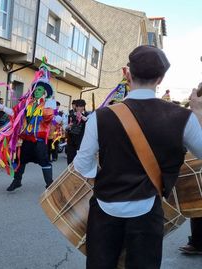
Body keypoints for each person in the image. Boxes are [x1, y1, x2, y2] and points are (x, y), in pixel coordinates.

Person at [73, 46, 202, 268]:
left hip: (105, 210)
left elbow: (83, 166)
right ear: (161, 78)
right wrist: (198, 112)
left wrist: (108, 175)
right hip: (148, 210)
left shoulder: (100, 117)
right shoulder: (183, 118)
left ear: (127, 74)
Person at [0, 58, 57, 192]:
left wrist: (45, 104)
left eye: (39, 90)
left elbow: (49, 117)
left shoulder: (47, 105)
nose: (36, 91)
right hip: (27, 139)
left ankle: (50, 184)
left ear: (44, 92)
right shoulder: (26, 104)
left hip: (39, 141)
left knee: (44, 162)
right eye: (35, 89)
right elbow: (14, 113)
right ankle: (17, 181)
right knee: (21, 161)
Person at [65, 99, 88, 165]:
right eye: (77, 106)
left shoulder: (86, 116)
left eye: (81, 106)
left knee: (79, 161)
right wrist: (68, 127)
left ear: (83, 107)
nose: (78, 108)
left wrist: (81, 116)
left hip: (81, 142)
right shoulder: (71, 116)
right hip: (71, 141)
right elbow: (66, 128)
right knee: (70, 160)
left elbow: (89, 122)